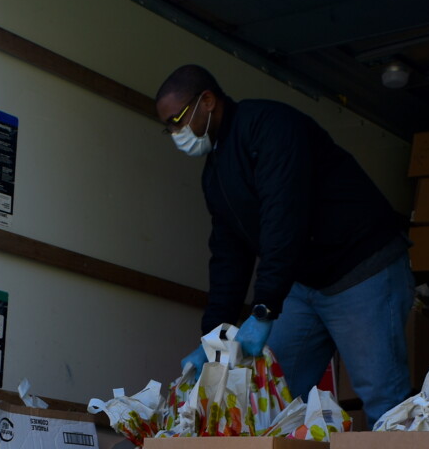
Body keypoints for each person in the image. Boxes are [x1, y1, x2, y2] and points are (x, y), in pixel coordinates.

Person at [156, 64, 414, 423]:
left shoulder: (270, 127)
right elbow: (228, 255)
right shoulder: (215, 173)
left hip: (361, 267)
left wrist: (263, 307)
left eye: (177, 119)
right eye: (167, 125)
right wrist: (212, 338)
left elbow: (285, 218)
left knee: (384, 400)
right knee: (271, 397)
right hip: (303, 283)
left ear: (208, 101)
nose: (174, 132)